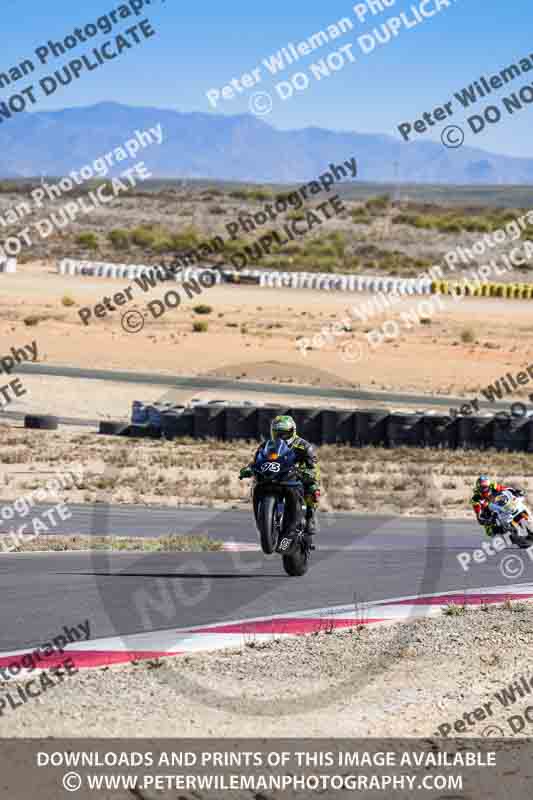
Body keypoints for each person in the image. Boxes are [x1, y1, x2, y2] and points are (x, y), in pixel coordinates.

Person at [239, 415, 321, 536]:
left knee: (312, 487)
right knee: (256, 484)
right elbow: (258, 460)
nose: (281, 437)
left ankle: (310, 516)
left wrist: (310, 472)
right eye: (277, 433)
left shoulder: (304, 446)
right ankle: (265, 519)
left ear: (293, 431)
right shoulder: (266, 446)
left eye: (284, 433)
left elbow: (314, 465)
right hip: (275, 475)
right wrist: (249, 468)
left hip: (297, 475)